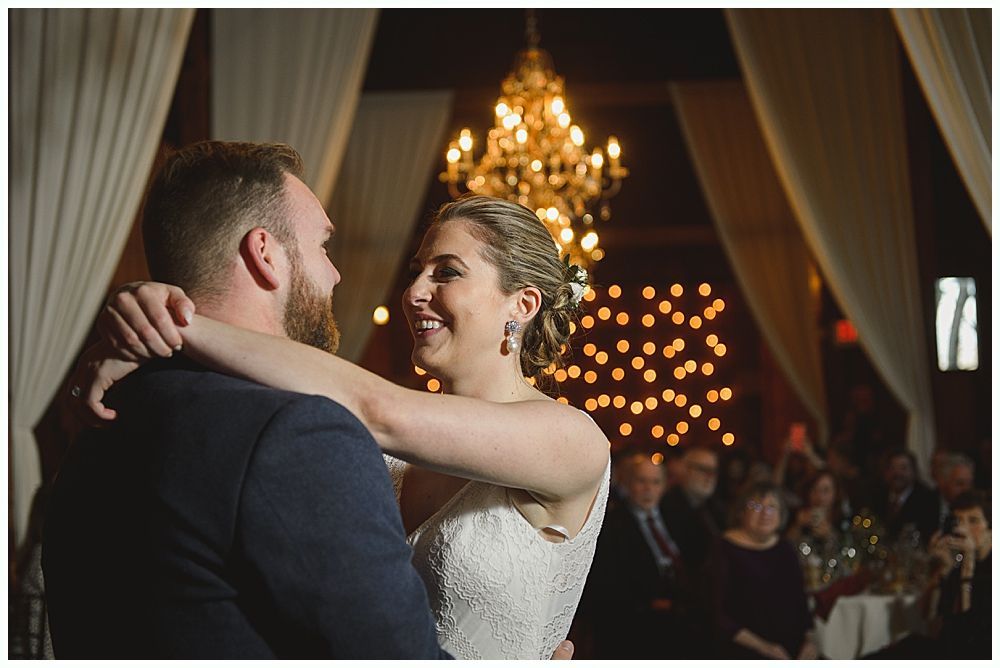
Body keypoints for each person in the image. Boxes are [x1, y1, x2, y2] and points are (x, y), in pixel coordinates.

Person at [76, 168, 611, 659]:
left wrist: (174, 323)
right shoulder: (376, 445)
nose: (414, 292)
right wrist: (146, 316)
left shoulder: (571, 438)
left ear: (523, 305)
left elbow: (378, 408)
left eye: (446, 273)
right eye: (416, 271)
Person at [43, 142, 449, 659]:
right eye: (323, 246)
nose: (336, 274)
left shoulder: (105, 417)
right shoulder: (297, 434)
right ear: (264, 253)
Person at [581, 453, 692, 658]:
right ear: (628, 484)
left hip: (683, 619)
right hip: (636, 626)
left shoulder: (677, 516)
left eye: (655, 482)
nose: (648, 489)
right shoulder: (611, 525)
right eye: (641, 481)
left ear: (664, 486)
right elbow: (606, 587)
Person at [708, 481, 817, 659]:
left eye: (772, 507)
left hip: (792, 649)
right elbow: (718, 615)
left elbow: (800, 602)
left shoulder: (785, 548)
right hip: (745, 649)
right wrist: (764, 648)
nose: (766, 513)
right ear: (741, 511)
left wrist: (810, 642)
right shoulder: (723, 549)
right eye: (756, 506)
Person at [660, 446, 724, 569]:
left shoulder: (717, 507)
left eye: (714, 471)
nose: (710, 476)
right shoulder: (667, 507)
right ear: (684, 470)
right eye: (703, 469)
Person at [872, 449, 938, 543]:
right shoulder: (877, 496)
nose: (897, 473)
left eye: (903, 468)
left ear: (914, 471)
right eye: (892, 468)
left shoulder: (927, 499)